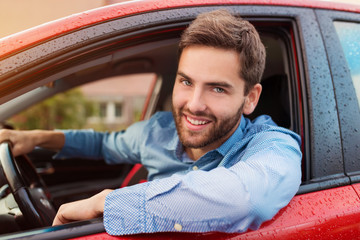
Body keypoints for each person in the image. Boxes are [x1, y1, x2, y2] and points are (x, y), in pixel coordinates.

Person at [0, 9, 301, 235]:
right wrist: (36, 137)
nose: (194, 104)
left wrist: (109, 202)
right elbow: (103, 143)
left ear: (250, 97)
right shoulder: (158, 131)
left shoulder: (273, 145)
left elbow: (245, 199)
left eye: (218, 88)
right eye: (186, 82)